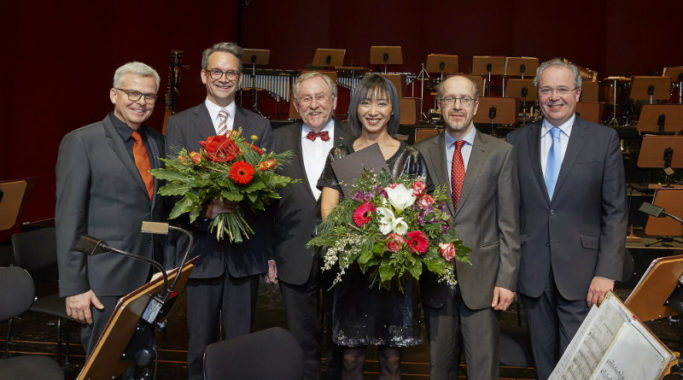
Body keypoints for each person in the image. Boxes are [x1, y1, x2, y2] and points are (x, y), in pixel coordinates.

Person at [506, 58, 627, 379]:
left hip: (585, 276)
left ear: (577, 93)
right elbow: (509, 212)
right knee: (543, 364)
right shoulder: (515, 143)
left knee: (579, 366)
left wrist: (606, 272)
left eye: (562, 89)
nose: (554, 97)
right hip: (532, 273)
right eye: (546, 89)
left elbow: (615, 212)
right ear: (537, 94)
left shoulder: (604, 140)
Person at [164, 42, 274, 380]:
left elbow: (269, 196)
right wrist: (207, 211)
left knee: (241, 347)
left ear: (240, 79)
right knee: (200, 347)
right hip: (202, 254)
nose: (223, 78)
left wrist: (267, 250)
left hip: (244, 256)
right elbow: (174, 192)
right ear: (203, 75)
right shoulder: (180, 125)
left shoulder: (260, 125)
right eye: (217, 71)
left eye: (231, 73)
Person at [318, 74, 429, 380]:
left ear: (393, 109)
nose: (373, 110)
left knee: (392, 359)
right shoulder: (340, 154)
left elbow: (423, 215)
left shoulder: (411, 157)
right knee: (351, 358)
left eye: (382, 103)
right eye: (365, 102)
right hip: (353, 274)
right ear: (355, 108)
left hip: (395, 277)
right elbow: (328, 210)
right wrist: (359, 236)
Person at [56, 61, 170, 356]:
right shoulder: (82, 142)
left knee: (138, 362)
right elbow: (70, 220)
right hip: (103, 281)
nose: (140, 102)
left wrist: (165, 253)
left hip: (149, 278)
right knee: (103, 367)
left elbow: (152, 216)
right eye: (132, 93)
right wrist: (75, 287)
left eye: (148, 96)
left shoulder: (157, 142)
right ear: (113, 94)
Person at [415, 75, 520, 380]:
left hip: (484, 282)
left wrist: (507, 279)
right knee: (440, 369)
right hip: (437, 282)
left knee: (483, 372)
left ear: (476, 105)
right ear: (439, 105)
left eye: (464, 99)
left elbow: (509, 224)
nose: (457, 106)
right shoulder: (420, 152)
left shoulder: (501, 152)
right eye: (450, 99)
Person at [271, 71, 353, 380]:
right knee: (300, 342)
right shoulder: (275, 140)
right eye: (306, 98)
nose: (314, 104)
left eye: (320, 97)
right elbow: (265, 206)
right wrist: (269, 254)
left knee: (340, 342)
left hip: (344, 256)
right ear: (295, 104)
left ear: (334, 101)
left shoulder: (355, 139)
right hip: (293, 253)